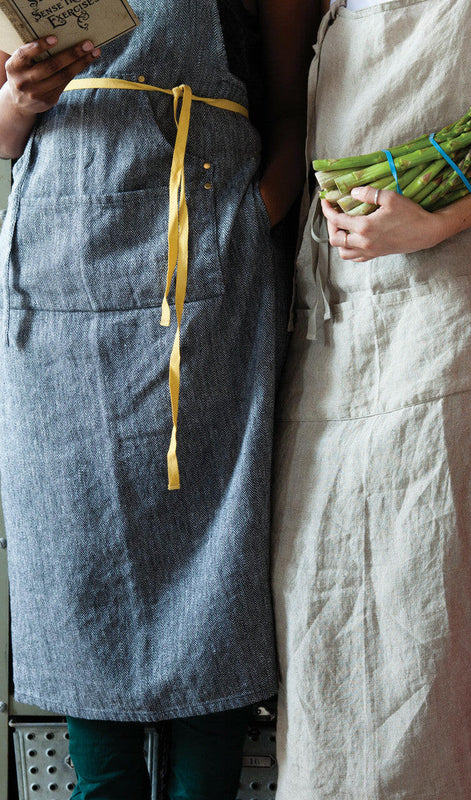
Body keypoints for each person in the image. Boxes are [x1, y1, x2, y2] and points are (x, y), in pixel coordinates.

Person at [0, 0, 315, 797]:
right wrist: (21, 101)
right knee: (79, 560)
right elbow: (2, 138)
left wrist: (251, 219)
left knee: (217, 556)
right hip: (60, 269)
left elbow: (291, 105)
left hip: (210, 268)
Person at [269, 0, 471, 797]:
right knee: (320, 618)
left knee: (435, 630)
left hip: (450, 330)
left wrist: (428, 226)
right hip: (331, 342)